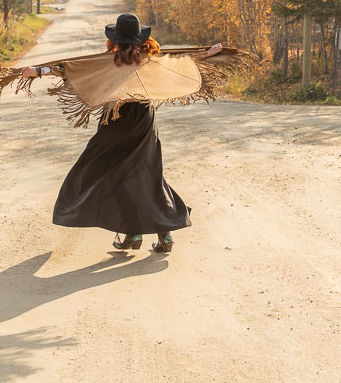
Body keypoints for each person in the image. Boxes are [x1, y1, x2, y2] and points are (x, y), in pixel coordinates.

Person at [20, 13, 222, 253]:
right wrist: (209, 53)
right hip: (143, 121)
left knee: (104, 172)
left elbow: (68, 68)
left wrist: (38, 71)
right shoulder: (150, 59)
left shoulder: (107, 61)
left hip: (114, 120)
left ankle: (133, 233)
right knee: (146, 174)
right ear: (139, 38)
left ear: (114, 38)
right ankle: (161, 235)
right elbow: (181, 59)